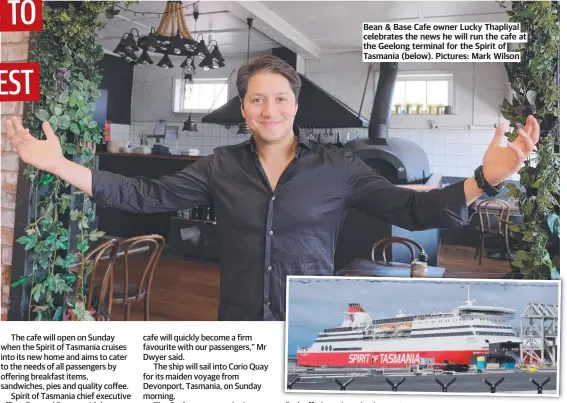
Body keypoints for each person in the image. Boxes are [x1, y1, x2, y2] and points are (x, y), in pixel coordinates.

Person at [7, 55, 540, 321]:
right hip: (236, 320)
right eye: (257, 100)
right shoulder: (219, 165)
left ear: (295, 105)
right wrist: (57, 166)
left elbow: (411, 209)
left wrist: (484, 179)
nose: (269, 109)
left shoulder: (337, 167)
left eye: (280, 98)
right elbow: (143, 198)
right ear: (243, 109)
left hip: (308, 319)